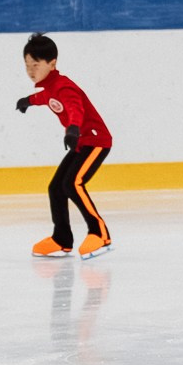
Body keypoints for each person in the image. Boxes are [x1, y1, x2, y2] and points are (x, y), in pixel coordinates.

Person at [17, 33, 112, 258]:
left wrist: (73, 129)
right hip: (82, 142)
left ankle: (100, 234)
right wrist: (27, 101)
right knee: (56, 187)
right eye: (27, 65)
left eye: (36, 65)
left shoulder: (63, 87)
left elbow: (74, 107)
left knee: (73, 184)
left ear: (52, 64)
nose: (31, 70)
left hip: (96, 140)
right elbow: (45, 98)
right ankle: (62, 238)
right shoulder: (50, 87)